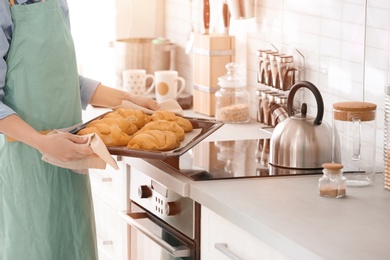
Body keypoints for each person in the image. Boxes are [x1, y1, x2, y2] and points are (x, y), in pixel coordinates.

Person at [0, 0, 159, 259]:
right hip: (25, 167)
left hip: (71, 163)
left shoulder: (56, 3)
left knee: (72, 244)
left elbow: (65, 78)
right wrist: (43, 143)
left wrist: (128, 99)